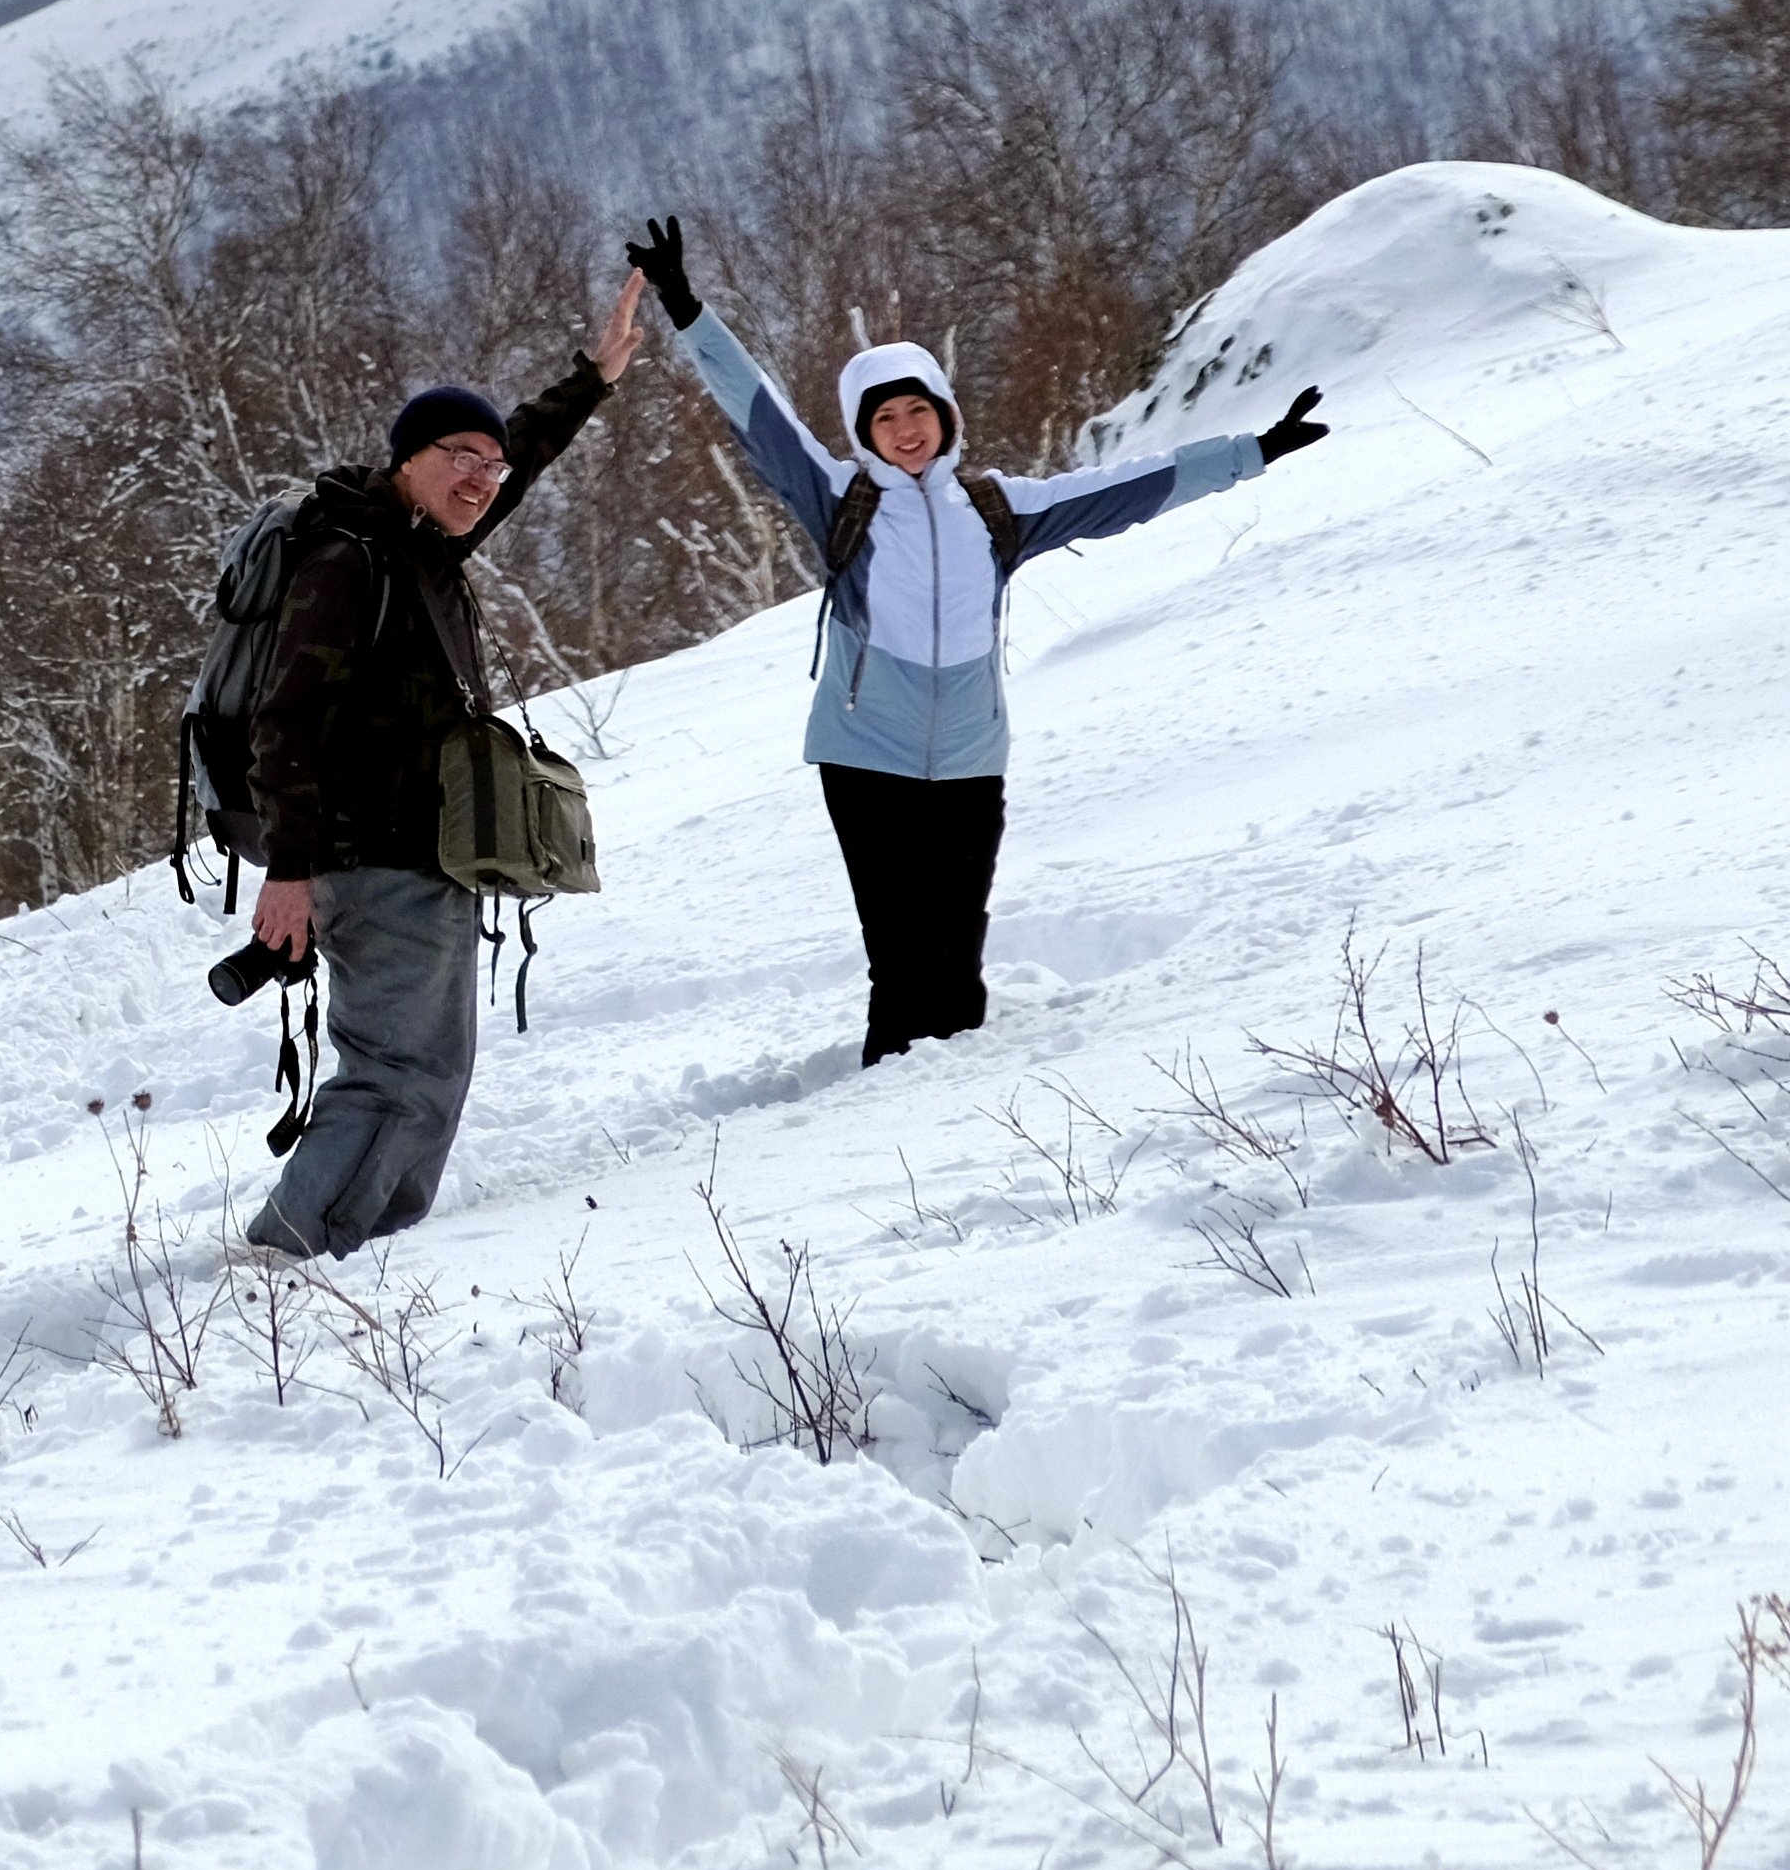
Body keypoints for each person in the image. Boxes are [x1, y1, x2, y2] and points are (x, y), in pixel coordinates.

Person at [625, 215, 1324, 1062]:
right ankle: (878, 1104)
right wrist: (687, 307)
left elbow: (1129, 489)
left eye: (919, 410)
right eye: (886, 419)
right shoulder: (840, 498)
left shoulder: (999, 510)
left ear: (946, 416)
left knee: (958, 960)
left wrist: (1253, 452)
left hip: (968, 756)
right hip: (864, 755)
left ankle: (957, 1107)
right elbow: (757, 410)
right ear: (865, 434)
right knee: (903, 957)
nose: (906, 429)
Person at [234, 263, 650, 1258]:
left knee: (429, 1071)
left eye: (490, 466)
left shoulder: (416, 550)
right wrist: (290, 870)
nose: (481, 478)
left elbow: (523, 459)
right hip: (370, 861)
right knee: (395, 1074)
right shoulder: (350, 563)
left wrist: (592, 378)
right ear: (406, 459)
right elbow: (283, 721)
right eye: (460, 455)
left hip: (422, 859)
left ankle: (361, 1244)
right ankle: (285, 1258)